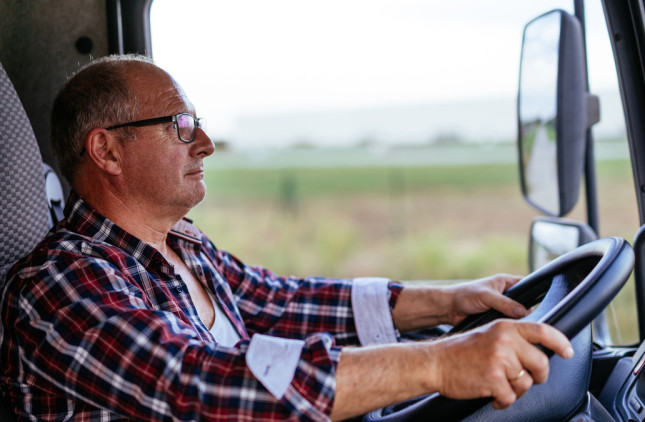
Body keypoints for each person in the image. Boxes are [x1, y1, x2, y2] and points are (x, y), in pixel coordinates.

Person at [0, 54, 573, 421]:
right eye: (180, 125)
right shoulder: (58, 288)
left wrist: (450, 300)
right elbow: (198, 382)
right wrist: (437, 364)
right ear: (107, 150)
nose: (205, 143)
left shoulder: (185, 247)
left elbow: (283, 301)